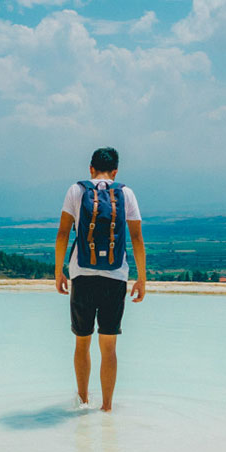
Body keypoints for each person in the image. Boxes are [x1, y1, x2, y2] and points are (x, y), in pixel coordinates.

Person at [54, 147, 146, 412]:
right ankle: (106, 407)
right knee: (109, 345)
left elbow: (62, 234)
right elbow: (137, 238)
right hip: (115, 276)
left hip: (82, 274)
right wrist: (142, 278)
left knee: (82, 341)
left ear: (90, 169)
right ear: (115, 172)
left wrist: (59, 271)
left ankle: (82, 402)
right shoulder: (125, 192)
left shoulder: (76, 190)